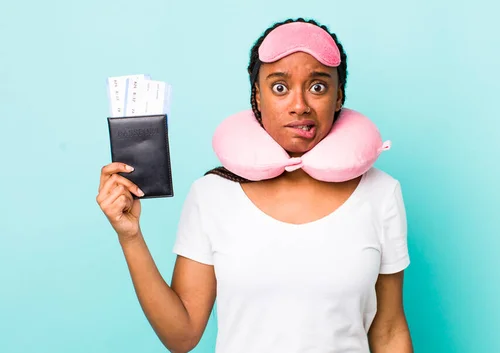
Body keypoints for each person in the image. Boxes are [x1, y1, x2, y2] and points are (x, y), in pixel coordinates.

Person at [96, 18, 412, 353]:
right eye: (279, 87)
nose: (300, 104)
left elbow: (389, 330)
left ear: (339, 98)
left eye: (318, 86)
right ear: (257, 97)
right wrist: (130, 236)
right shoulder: (213, 194)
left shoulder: (380, 192)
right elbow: (181, 335)